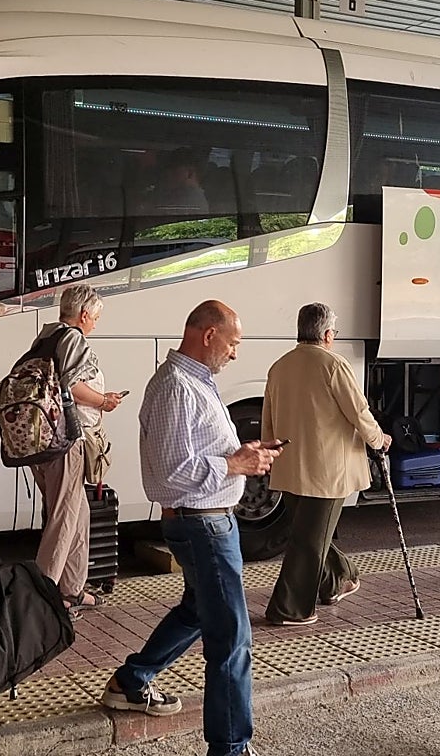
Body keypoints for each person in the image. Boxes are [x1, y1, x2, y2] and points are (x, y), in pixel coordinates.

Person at [99, 300, 279, 756]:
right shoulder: (178, 386)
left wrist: (242, 455)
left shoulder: (195, 382)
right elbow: (173, 472)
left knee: (199, 611)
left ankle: (132, 679)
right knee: (232, 640)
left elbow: (196, 453)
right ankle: (231, 747)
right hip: (203, 525)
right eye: (233, 342)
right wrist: (236, 463)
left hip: (205, 521)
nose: (236, 353)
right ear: (208, 335)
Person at [261, 303, 390, 627]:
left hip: (289, 465)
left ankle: (337, 580)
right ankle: (290, 609)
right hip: (327, 470)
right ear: (328, 334)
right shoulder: (334, 365)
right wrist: (379, 440)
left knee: (309, 534)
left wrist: (269, 453)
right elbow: (358, 412)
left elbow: (268, 417)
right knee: (309, 540)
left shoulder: (280, 366)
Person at [28, 284, 123, 612]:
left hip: (41, 438)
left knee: (77, 512)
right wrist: (104, 401)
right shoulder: (73, 339)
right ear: (84, 315)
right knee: (64, 517)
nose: (96, 323)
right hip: (64, 441)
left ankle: (71, 590)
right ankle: (41, 600)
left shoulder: (46, 337)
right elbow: (72, 385)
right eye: (95, 317)